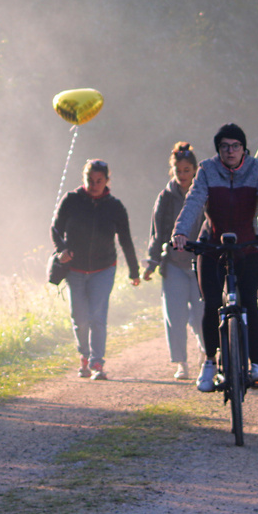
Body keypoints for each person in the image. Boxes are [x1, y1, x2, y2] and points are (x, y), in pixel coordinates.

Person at [171, 124, 258, 393]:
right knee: (211, 304)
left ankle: (256, 365)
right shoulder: (207, 169)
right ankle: (210, 362)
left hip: (247, 247)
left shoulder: (257, 169)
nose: (230, 151)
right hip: (212, 247)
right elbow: (193, 202)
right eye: (225, 146)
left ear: (244, 149)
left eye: (235, 146)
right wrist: (179, 232)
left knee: (249, 302)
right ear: (219, 150)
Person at [52, 158, 140, 381]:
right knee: (80, 317)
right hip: (75, 269)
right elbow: (55, 229)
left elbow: (126, 240)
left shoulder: (115, 206)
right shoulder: (71, 200)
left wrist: (134, 271)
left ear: (107, 181)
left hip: (104, 268)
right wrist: (61, 250)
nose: (94, 185)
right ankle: (84, 356)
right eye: (90, 180)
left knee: (97, 316)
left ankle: (97, 362)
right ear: (84, 179)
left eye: (99, 181)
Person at [145, 142, 202, 380]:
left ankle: (207, 353)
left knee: (200, 316)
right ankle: (182, 363)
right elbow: (157, 233)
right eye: (178, 171)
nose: (182, 175)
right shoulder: (165, 198)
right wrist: (151, 263)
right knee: (175, 317)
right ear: (173, 171)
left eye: (187, 170)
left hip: (201, 264)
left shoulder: (204, 194)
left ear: (195, 170)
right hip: (174, 265)